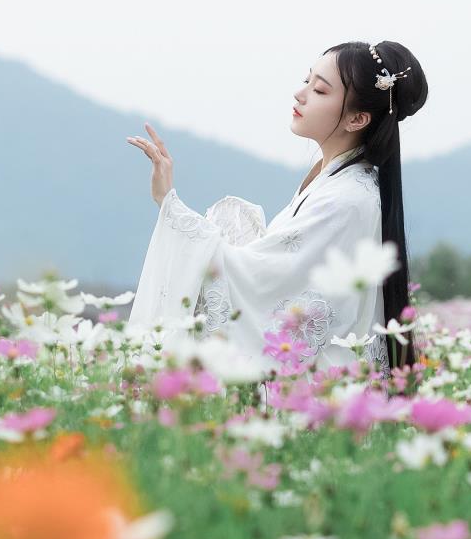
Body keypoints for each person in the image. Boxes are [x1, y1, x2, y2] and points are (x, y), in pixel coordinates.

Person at [125, 41, 427, 380]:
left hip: (321, 394)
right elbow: (277, 272)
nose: (300, 94)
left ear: (357, 118)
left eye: (320, 90)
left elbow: (264, 287)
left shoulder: (346, 199)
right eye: (306, 80)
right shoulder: (332, 180)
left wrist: (170, 207)